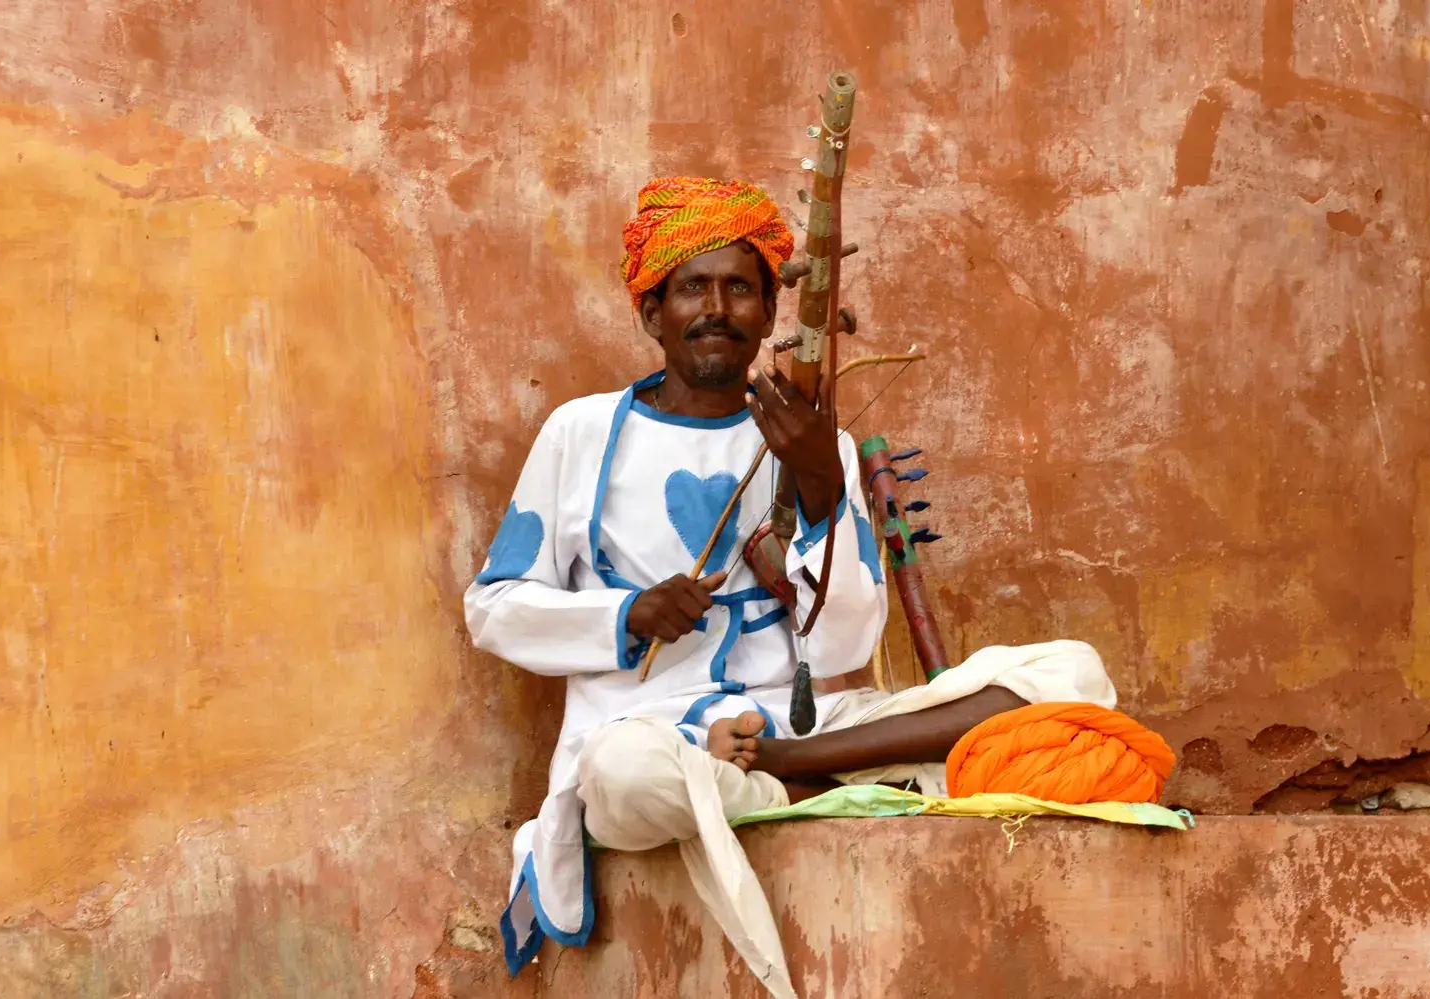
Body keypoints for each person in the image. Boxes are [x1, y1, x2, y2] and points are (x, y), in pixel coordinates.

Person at [465, 176, 1117, 994]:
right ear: (650, 312)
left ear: (770, 316)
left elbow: (842, 641)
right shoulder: (582, 432)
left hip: (795, 724)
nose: (717, 306)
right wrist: (629, 612)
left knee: (1073, 680)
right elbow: (492, 608)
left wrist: (816, 485)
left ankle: (786, 768)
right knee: (623, 776)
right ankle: (812, 784)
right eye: (692, 287)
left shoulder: (813, 439)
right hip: (650, 740)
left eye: (741, 287)